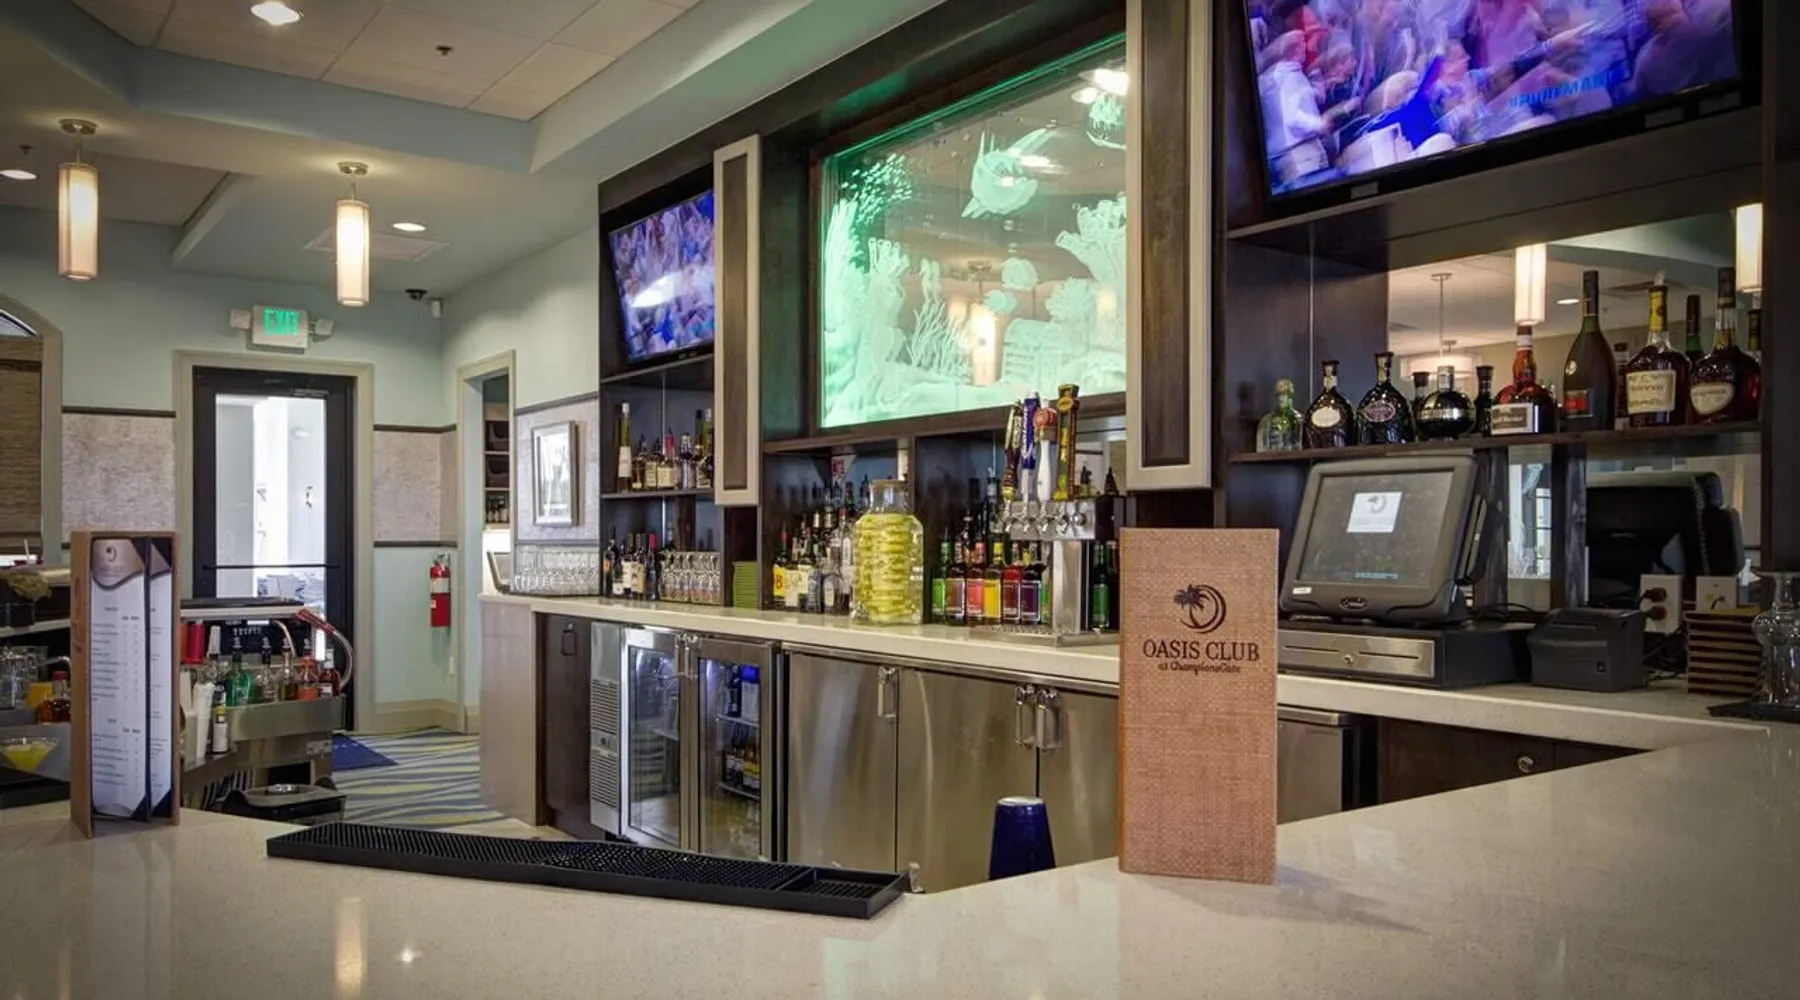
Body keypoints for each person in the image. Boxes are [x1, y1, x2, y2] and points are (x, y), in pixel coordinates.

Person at [1258, 29, 1331, 187]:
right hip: (1301, 155)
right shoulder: (1292, 76)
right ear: (1296, 49)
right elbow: (1292, 116)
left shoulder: (1271, 78)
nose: (1306, 47)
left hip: (1279, 156)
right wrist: (1319, 124)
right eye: (1303, 43)